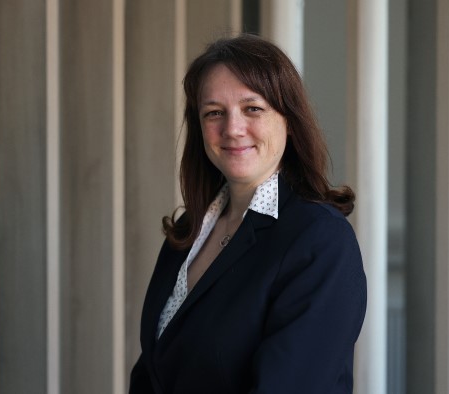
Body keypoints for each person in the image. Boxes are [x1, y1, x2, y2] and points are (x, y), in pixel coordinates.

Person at [129, 34, 367, 394]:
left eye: (252, 108)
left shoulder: (320, 241)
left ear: (288, 118)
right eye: (214, 113)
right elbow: (153, 371)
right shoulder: (189, 231)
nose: (232, 129)